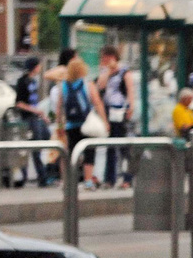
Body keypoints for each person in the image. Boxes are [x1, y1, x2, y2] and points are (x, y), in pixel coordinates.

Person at [57, 55, 109, 190]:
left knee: (70, 153)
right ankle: (88, 181)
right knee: (89, 152)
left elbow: (59, 107)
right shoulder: (88, 84)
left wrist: (59, 125)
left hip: (70, 124)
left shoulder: (63, 85)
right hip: (87, 124)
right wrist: (104, 121)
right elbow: (97, 103)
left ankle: (67, 181)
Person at [96, 46, 135, 188]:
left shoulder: (125, 71)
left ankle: (127, 178)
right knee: (110, 147)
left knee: (124, 146)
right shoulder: (105, 71)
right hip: (109, 111)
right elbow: (100, 86)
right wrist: (107, 71)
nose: (104, 60)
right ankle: (109, 178)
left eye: (105, 57)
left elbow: (130, 89)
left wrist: (131, 106)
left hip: (120, 110)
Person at [12, 56, 53, 187]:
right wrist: (36, 112)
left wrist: (42, 115)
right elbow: (19, 103)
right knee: (33, 148)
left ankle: (44, 175)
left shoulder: (33, 81)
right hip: (27, 118)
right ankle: (39, 177)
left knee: (43, 142)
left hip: (36, 117)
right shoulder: (22, 81)